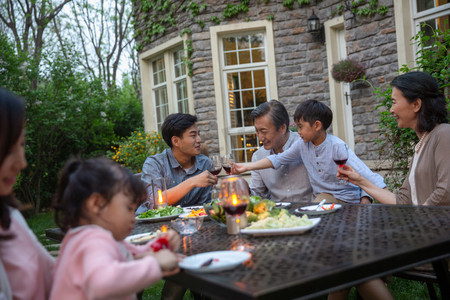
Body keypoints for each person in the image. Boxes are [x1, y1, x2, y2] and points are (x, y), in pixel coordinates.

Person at [50, 157, 181, 299]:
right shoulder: (92, 242)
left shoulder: (101, 239)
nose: (133, 217)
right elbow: (102, 284)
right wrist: (155, 264)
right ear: (96, 204)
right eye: (129, 208)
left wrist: (160, 246)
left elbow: (133, 255)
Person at [232, 99, 386, 204]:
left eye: (300, 126)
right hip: (298, 211)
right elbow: (278, 160)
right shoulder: (299, 146)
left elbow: (364, 175)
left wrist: (369, 200)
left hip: (330, 205)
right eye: (256, 131)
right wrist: (246, 169)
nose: (259, 137)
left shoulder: (331, 146)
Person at [338, 71, 450, 205]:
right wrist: (358, 180)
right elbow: (402, 201)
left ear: (416, 105)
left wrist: (420, 219)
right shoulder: (421, 144)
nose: (391, 110)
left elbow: (445, 191)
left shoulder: (443, 133)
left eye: (394, 102)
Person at [0, 87, 56, 300]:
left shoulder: (10, 217)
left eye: (22, 144)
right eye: (9, 149)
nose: (22, 163)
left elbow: (51, 273)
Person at [136, 113, 218, 214]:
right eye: (193, 135)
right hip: (153, 225)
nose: (199, 140)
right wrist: (191, 182)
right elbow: (153, 203)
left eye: (198, 134)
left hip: (191, 224)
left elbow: (204, 206)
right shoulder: (154, 164)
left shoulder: (206, 164)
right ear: (176, 141)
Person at [249, 100, 313, 202]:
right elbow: (258, 196)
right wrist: (244, 189)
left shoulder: (305, 145)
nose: (260, 138)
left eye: (264, 132)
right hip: (278, 215)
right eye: (257, 131)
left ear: (282, 128)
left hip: (311, 211)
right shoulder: (258, 156)